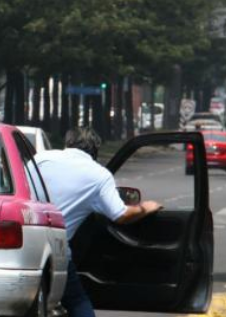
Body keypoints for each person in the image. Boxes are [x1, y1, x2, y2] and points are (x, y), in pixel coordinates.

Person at [34, 127, 162, 317]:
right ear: (95, 150)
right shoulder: (99, 175)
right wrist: (147, 207)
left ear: (68, 143)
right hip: (56, 251)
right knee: (77, 301)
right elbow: (120, 214)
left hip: (23, 243)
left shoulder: (40, 159)